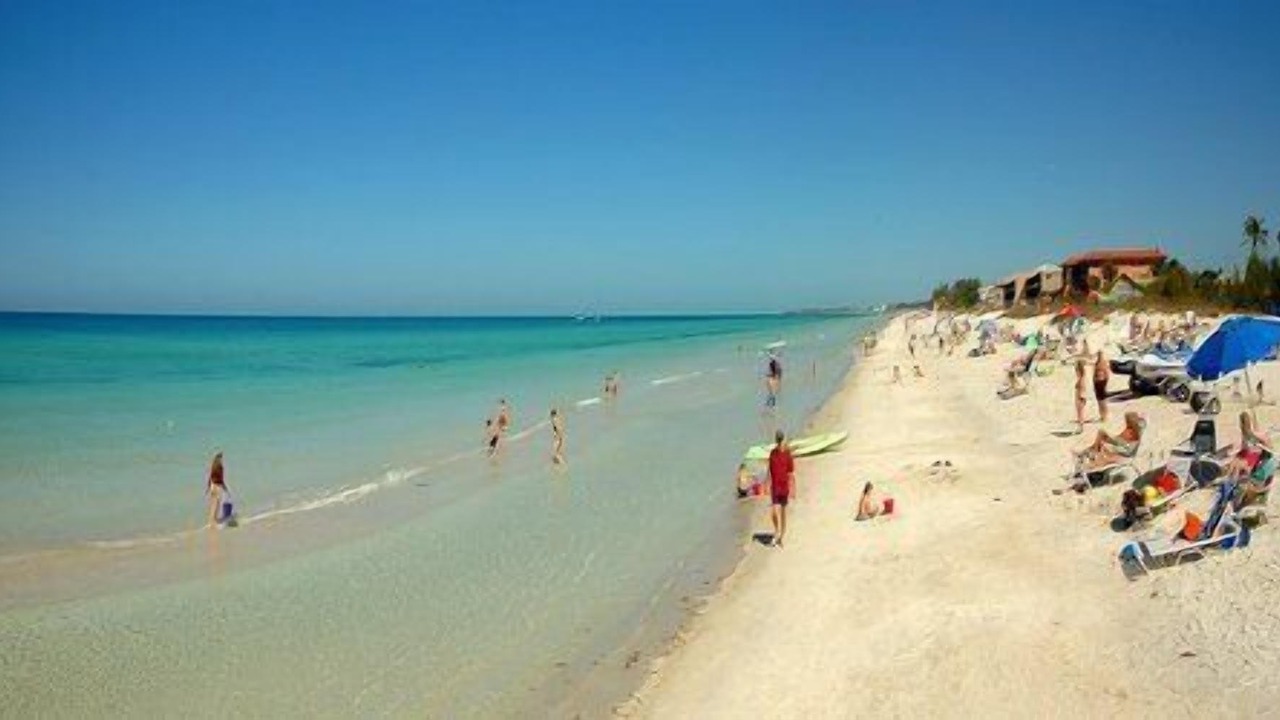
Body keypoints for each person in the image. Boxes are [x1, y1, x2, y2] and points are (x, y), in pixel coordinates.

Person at [1075, 411, 1145, 471]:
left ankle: (1091, 457)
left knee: (1103, 444)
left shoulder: (1132, 433)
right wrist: (1110, 439)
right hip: (1122, 444)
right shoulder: (1131, 430)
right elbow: (1120, 438)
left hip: (1124, 450)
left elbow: (1125, 448)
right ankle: (1090, 452)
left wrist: (1110, 445)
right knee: (1101, 433)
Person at [1223, 411, 1272, 483]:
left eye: (1241, 423)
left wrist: (1259, 446)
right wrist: (1233, 452)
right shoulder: (1245, 434)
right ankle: (1229, 481)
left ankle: (1232, 483)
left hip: (1252, 457)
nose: (1240, 425)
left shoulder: (1254, 434)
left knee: (1237, 465)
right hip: (1245, 455)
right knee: (1232, 463)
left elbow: (1267, 445)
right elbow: (1244, 447)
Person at [767, 431, 795, 547]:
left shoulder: (788, 454)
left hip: (784, 486)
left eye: (780, 439)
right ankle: (776, 531)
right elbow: (769, 470)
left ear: (783, 440)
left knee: (783, 512)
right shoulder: (773, 453)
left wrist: (793, 489)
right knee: (773, 511)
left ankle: (781, 536)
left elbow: (790, 473)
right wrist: (767, 484)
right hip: (775, 486)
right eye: (778, 440)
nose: (779, 442)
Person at [206, 451, 232, 526]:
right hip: (217, 486)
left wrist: (208, 487)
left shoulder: (213, 466)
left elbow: (210, 477)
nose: (222, 460)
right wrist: (224, 487)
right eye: (221, 458)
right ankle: (214, 521)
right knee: (216, 504)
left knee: (213, 504)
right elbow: (221, 479)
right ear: (219, 458)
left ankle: (211, 520)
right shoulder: (220, 467)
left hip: (212, 485)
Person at [1092, 349, 1110, 424]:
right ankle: (1103, 416)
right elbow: (1107, 375)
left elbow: (1104, 374)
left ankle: (1104, 416)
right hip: (1101, 383)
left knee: (1101, 401)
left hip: (1100, 383)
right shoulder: (1103, 364)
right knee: (1102, 401)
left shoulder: (1100, 364)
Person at [1073, 359, 1087, 434]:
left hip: (1080, 398)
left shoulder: (1081, 379)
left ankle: (1080, 427)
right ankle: (1080, 427)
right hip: (1079, 398)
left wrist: (1081, 398)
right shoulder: (1081, 378)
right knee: (1080, 413)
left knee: (1080, 414)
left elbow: (1082, 389)